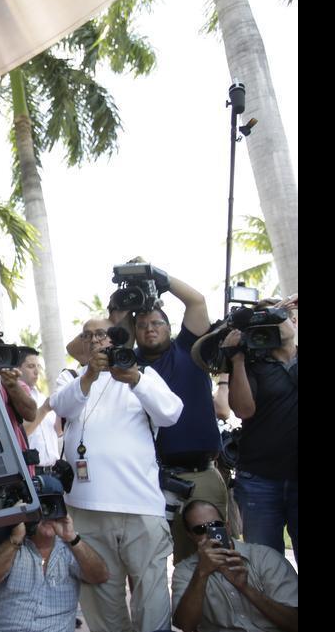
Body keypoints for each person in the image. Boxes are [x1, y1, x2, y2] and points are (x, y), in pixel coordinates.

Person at [49, 318, 184, 632]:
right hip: (85, 509)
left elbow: (171, 413)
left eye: (103, 334)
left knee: (150, 600)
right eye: (89, 335)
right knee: (100, 601)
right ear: (83, 343)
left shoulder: (143, 374)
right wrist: (90, 376)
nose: (96, 340)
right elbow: (60, 406)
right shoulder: (72, 376)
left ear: (116, 339)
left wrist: (135, 378)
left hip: (139, 507)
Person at [128, 262, 230, 565]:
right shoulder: (125, 364)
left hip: (202, 475)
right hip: (150, 478)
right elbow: (82, 345)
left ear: (169, 328)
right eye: (142, 325)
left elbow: (196, 301)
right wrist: (122, 301)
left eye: (157, 323)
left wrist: (157, 276)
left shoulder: (189, 349)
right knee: (150, 563)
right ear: (133, 332)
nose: (150, 329)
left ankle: (214, 614)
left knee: (214, 557)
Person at [220, 294, 298, 561]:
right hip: (259, 479)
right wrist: (238, 360)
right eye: (267, 319)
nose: (276, 323)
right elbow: (243, 410)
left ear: (295, 320)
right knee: (265, 564)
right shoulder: (252, 363)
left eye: (280, 317)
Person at [171, 500, 298, 632]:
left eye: (216, 525)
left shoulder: (266, 558)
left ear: (227, 527)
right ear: (191, 536)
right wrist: (201, 573)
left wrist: (245, 588)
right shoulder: (185, 571)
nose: (210, 534)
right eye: (200, 529)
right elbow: (183, 627)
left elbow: (294, 623)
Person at [0, 513, 109, 632]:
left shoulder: (69, 547)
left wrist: (72, 538)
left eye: (52, 509)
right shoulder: (13, 544)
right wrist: (15, 538)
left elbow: (100, 576)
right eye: (41, 511)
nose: (48, 517)